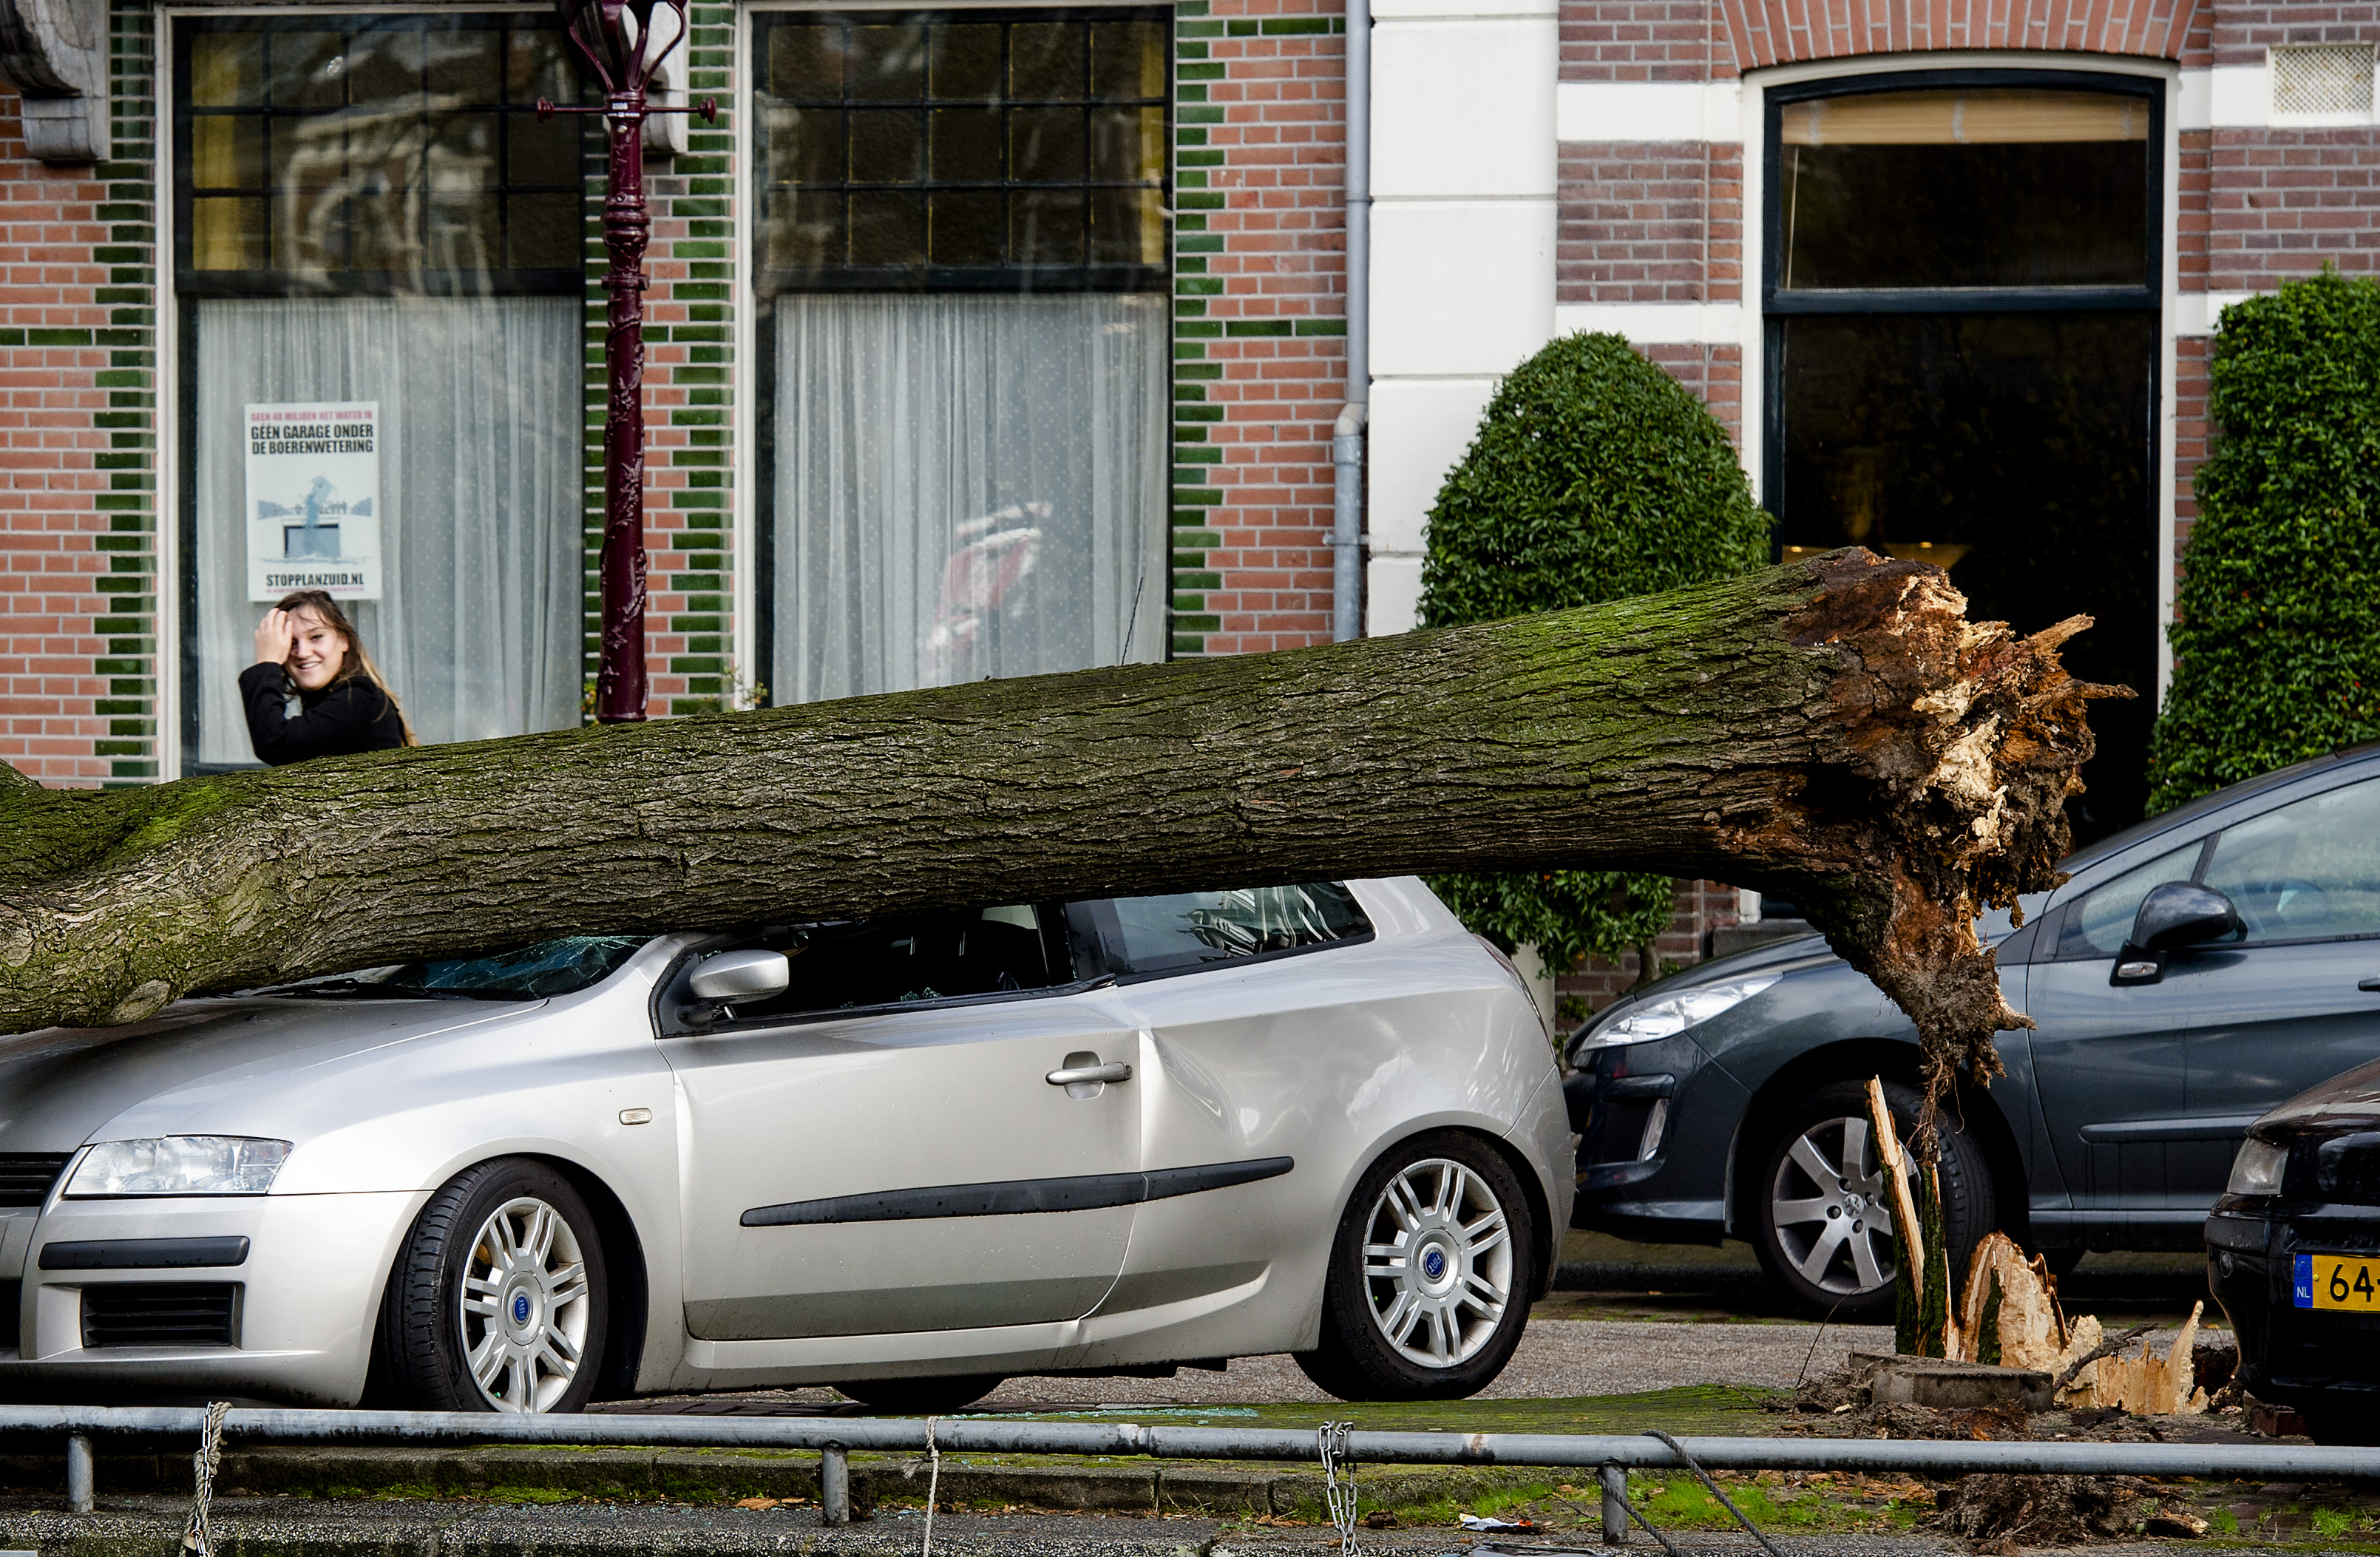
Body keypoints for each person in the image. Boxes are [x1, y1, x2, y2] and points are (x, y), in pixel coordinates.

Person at [239, 589, 416, 765]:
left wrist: (267, 662)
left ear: (344, 640)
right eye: (292, 643)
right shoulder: (332, 702)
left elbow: (274, 743)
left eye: (316, 637)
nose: (303, 652)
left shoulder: (359, 698)